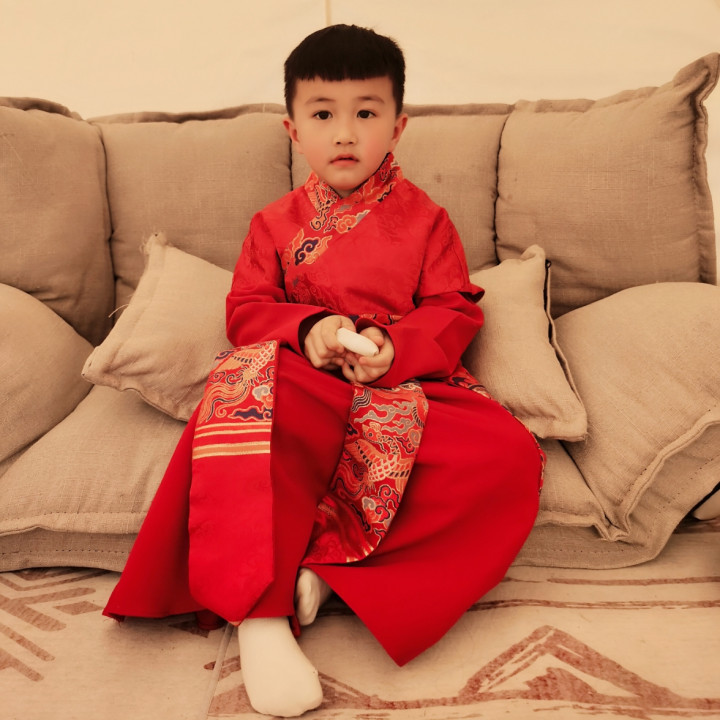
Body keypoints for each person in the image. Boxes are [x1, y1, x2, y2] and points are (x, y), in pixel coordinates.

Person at [103, 24, 545, 718]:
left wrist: (393, 347)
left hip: (401, 389)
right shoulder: (272, 224)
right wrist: (307, 331)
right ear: (293, 130)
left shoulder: (428, 221)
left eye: (366, 113)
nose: (345, 133)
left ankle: (331, 578)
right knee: (245, 397)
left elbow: (454, 308)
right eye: (322, 114)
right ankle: (262, 614)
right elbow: (247, 309)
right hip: (302, 385)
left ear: (397, 126)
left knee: (507, 455)